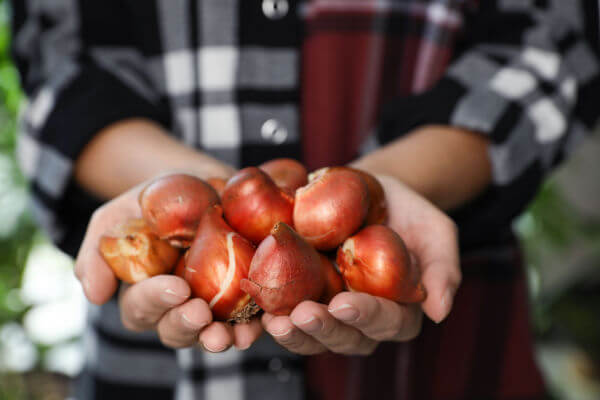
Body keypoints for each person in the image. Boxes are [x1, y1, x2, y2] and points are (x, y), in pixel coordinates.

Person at [11, 0, 600, 399]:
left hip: (447, 364)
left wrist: (397, 180)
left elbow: (548, 46)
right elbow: (59, 65)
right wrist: (180, 183)